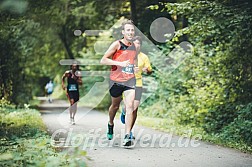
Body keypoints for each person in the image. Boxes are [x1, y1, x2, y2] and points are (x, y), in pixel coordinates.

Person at [100, 20, 138, 147]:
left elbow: (134, 59)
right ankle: (110, 123)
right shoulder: (117, 44)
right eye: (128, 30)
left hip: (130, 80)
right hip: (116, 81)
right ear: (123, 32)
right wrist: (119, 64)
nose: (131, 32)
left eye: (132, 30)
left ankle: (127, 135)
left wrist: (135, 67)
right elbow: (103, 60)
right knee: (114, 107)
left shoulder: (135, 46)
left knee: (130, 106)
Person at [120, 36, 152, 139]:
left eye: (138, 43)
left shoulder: (144, 57)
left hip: (138, 84)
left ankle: (129, 132)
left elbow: (149, 70)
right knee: (128, 107)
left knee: (134, 109)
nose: (136, 45)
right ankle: (124, 112)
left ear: (140, 45)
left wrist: (147, 70)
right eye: (134, 43)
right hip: (127, 83)